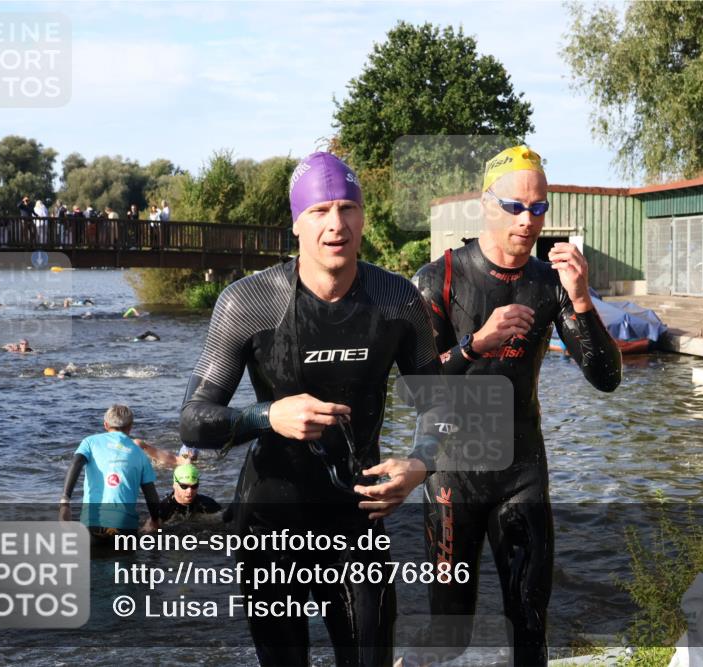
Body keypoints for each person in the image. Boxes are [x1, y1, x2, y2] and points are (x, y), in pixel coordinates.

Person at [179, 152, 449, 666]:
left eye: (347, 208)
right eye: (320, 210)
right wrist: (267, 415)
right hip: (269, 522)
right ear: (297, 223)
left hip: (357, 519)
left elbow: (441, 406)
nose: (336, 224)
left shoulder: (397, 301)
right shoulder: (248, 303)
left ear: (363, 217)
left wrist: (418, 465)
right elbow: (194, 417)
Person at [410, 145, 622, 666]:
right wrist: (474, 344)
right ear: (486, 204)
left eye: (540, 208)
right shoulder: (438, 280)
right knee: (450, 634)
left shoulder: (548, 284)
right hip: (451, 477)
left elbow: (606, 378)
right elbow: (418, 388)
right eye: (516, 207)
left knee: (529, 626)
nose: (528, 221)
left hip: (521, 472)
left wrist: (581, 298)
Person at [58, 405, 160, 546]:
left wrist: (65, 503)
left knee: (92, 565)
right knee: (124, 565)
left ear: (105, 425)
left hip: (92, 523)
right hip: (125, 526)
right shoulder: (140, 454)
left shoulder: (90, 442)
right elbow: (150, 494)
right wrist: (155, 520)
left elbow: (76, 463)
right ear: (130, 426)